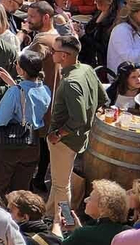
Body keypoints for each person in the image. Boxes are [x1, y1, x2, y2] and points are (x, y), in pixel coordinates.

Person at [45, 33, 104, 219]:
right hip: (76, 139)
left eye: (53, 50)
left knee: (62, 186)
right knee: (58, 181)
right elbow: (103, 98)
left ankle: (65, 222)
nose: (50, 53)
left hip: (64, 142)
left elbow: (78, 119)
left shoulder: (71, 82)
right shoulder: (87, 69)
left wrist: (58, 134)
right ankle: (48, 215)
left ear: (64, 56)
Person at [0, 50, 51, 195]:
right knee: (21, 190)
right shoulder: (45, 90)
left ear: (20, 70)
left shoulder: (15, 92)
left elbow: (0, 120)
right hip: (32, 143)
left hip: (8, 145)